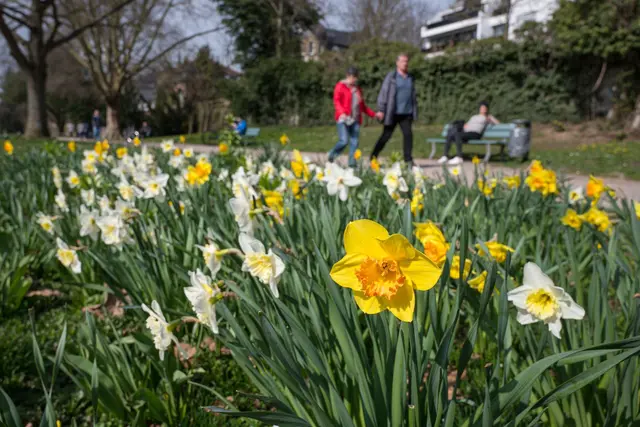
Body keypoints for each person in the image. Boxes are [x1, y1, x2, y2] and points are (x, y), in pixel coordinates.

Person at [370, 53, 418, 165]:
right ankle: (373, 156)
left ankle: (408, 160)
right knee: (386, 135)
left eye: (406, 61)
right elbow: (383, 93)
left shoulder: (410, 78)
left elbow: (413, 95)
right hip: (393, 112)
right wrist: (381, 109)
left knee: (408, 135)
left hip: (407, 113)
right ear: (397, 63)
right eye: (402, 61)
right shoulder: (391, 77)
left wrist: (414, 110)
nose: (405, 63)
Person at [328, 66, 375, 167]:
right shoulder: (340, 86)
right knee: (344, 141)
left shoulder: (357, 90)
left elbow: (362, 106)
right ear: (347, 76)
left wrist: (373, 114)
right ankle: (332, 154)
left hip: (355, 119)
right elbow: (336, 101)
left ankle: (352, 162)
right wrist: (341, 113)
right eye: (351, 77)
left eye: (355, 77)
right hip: (343, 119)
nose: (353, 79)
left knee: (354, 142)